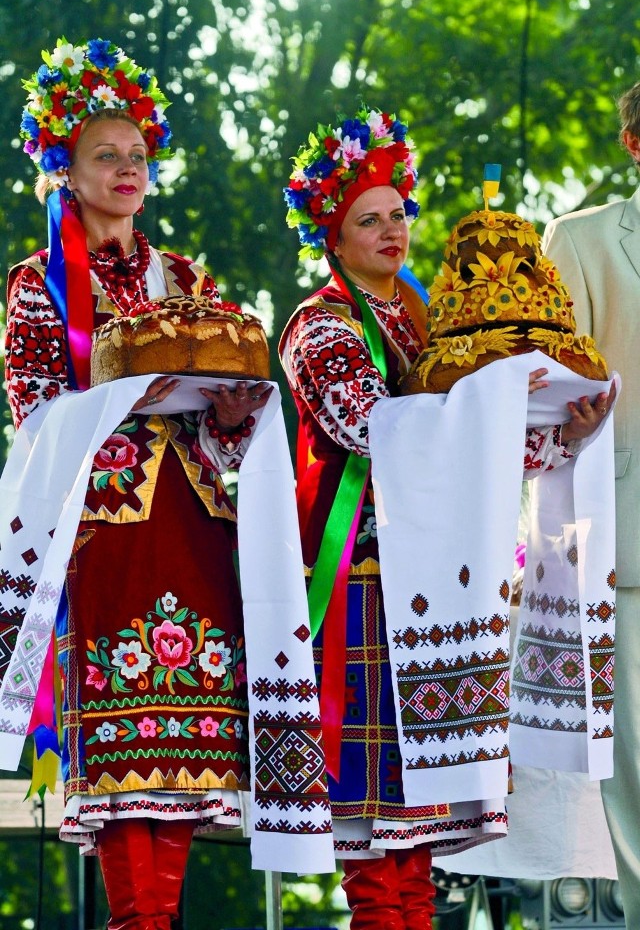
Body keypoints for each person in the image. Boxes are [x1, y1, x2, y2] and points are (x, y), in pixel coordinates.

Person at [279, 106, 613, 930]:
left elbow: (473, 458)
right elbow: (374, 430)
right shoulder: (316, 325)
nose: (392, 230)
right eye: (370, 219)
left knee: (419, 847)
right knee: (374, 848)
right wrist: (498, 399)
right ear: (333, 233)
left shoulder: (430, 324)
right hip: (360, 583)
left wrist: (558, 433)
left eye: (399, 213)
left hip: (439, 592)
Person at [2, 38, 271, 930]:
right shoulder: (37, 286)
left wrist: (232, 409)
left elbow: (227, 427)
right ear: (65, 170)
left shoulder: (186, 281)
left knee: (185, 752)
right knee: (124, 750)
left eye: (137, 156)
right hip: (107, 532)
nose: (126, 170)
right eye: (104, 156)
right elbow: (36, 417)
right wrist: (125, 398)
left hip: (193, 529)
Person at [542, 81, 640, 928]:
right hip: (624, 538)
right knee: (633, 784)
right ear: (635, 145)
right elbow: (549, 387)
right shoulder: (578, 240)